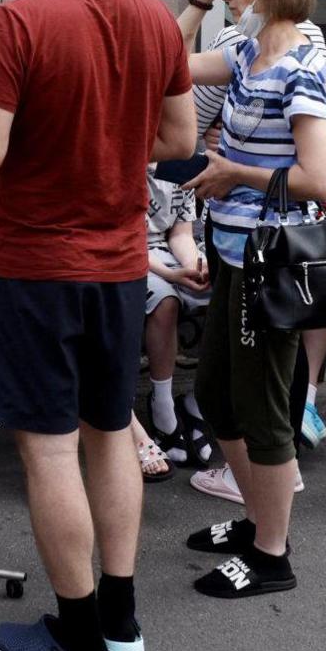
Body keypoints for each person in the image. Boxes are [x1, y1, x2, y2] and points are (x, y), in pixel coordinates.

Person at [0, 0, 195, 651]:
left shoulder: (16, 22)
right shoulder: (155, 16)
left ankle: (79, 636)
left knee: (51, 450)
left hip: (37, 266)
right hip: (123, 266)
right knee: (110, 432)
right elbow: (177, 139)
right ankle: (120, 619)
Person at [176, 0, 326, 598]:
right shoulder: (248, 50)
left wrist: (233, 174)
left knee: (264, 407)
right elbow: (169, 62)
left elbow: (320, 179)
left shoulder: (300, 68)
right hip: (236, 250)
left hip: (270, 261)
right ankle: (255, 519)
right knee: (217, 395)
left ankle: (272, 552)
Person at [138, 167, 210, 474]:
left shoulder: (181, 166)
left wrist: (196, 265)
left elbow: (181, 234)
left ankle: (203, 400)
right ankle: (162, 404)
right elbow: (116, 236)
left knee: (230, 295)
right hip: (125, 255)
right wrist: (170, 274)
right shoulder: (121, 158)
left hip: (167, 253)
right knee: (165, 301)